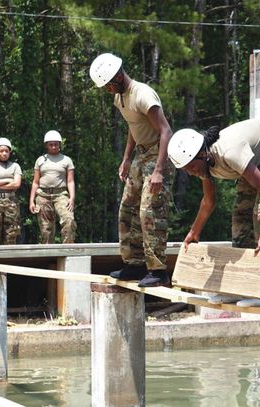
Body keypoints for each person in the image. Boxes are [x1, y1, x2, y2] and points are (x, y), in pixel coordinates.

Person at [167, 118, 260, 306]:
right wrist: (194, 232)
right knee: (240, 215)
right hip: (254, 158)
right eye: (185, 170)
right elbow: (208, 201)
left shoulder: (229, 153)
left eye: (191, 167)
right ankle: (240, 286)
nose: (190, 173)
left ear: (202, 154)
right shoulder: (203, 164)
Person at [90, 52, 175, 287]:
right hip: (141, 155)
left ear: (117, 76)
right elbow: (133, 126)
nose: (106, 90)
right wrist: (126, 158)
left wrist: (158, 170)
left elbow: (166, 131)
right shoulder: (120, 98)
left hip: (159, 154)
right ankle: (134, 264)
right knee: (127, 209)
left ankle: (158, 270)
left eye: (107, 85)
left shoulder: (142, 94)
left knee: (150, 211)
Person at [29, 130, 77, 244]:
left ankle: (67, 248)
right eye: (51, 144)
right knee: (46, 228)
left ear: (60, 144)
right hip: (43, 195)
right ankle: (48, 253)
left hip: (61, 194)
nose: (54, 147)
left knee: (68, 219)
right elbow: (35, 182)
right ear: (46, 145)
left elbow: (70, 181)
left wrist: (72, 198)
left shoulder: (66, 160)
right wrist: (31, 201)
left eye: (56, 144)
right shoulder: (40, 160)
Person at [0, 138, 22, 245]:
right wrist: (7, 180)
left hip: (11, 201)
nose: (4, 153)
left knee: (11, 232)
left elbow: (16, 184)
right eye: (1, 151)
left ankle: (10, 259)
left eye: (7, 151)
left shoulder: (15, 166)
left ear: (10, 152)